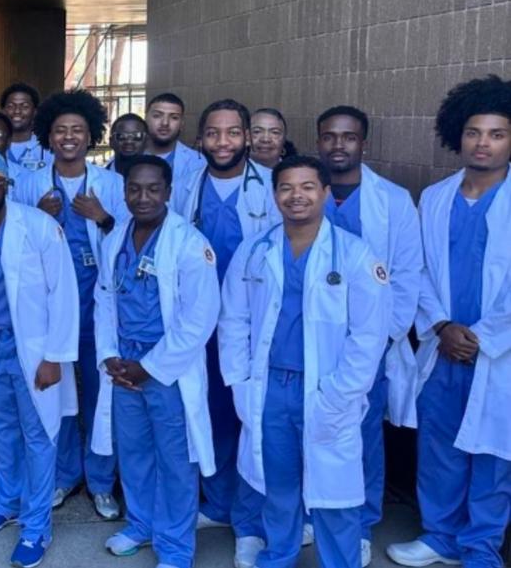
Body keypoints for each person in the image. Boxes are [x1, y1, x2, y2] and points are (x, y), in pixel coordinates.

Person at [219, 155, 390, 568]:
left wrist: (340, 393)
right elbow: (233, 320)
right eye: (286, 188)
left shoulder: (354, 255)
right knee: (277, 485)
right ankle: (278, 556)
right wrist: (240, 381)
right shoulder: (255, 250)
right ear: (275, 194)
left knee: (336, 493)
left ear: (326, 193)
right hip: (269, 385)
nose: (297, 196)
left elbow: (368, 336)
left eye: (308, 187)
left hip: (328, 388)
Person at [387, 75, 511, 568]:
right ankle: (439, 536)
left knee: (493, 452)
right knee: (439, 443)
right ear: (457, 135)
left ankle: (480, 547)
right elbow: (415, 270)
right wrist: (442, 326)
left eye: (497, 133)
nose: (483, 143)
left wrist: (484, 336)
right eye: (474, 133)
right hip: (442, 346)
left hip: (498, 352)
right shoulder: (435, 197)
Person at [0, 149, 79, 568]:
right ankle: (6, 501)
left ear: (6, 186)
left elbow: (64, 294)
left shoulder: (38, 227)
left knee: (39, 432)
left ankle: (37, 525)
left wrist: (54, 356)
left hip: (36, 346)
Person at [90, 154, 220, 567]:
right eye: (134, 188)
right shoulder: (115, 238)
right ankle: (141, 525)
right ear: (124, 191)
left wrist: (148, 367)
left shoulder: (189, 243)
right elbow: (103, 299)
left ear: (168, 192)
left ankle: (176, 547)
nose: (142, 197)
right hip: (124, 364)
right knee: (134, 453)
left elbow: (199, 320)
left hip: (167, 370)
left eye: (152, 189)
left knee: (176, 460)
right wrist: (110, 355)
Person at [169, 99, 280, 568]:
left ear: (248, 138)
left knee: (253, 420)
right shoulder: (186, 185)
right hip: (200, 324)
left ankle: (251, 525)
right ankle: (217, 505)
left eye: (233, 133)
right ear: (200, 140)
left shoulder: (275, 186)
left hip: (255, 325)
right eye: (213, 134)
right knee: (209, 413)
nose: (223, 142)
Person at [314, 105, 423, 566]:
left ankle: (358, 524)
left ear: (365, 143)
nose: (339, 145)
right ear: (318, 141)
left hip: (368, 345)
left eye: (349, 137)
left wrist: (380, 342)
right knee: (309, 430)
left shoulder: (392, 200)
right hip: (307, 341)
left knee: (360, 435)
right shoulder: (301, 190)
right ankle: (314, 515)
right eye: (330, 137)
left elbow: (406, 275)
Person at [13, 90, 126, 519]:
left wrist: (103, 218)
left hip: (99, 308)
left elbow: (129, 243)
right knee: (56, 394)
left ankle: (100, 482)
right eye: (60, 130)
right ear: (47, 135)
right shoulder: (29, 184)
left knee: (101, 396)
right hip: (51, 310)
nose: (68, 137)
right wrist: (38, 214)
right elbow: (15, 249)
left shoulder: (111, 185)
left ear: (92, 135)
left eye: (77, 130)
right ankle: (64, 476)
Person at [144, 93, 204, 184]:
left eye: (174, 117)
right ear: (146, 119)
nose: (165, 123)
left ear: (182, 124)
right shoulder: (123, 159)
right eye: (157, 115)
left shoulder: (199, 163)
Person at [0, 83, 50, 171]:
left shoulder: (47, 149)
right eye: (11, 106)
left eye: (25, 106)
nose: (17, 111)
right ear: (3, 111)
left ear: (35, 111)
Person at [106, 113, 147, 178]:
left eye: (137, 136)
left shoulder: (160, 179)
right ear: (111, 142)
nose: (129, 141)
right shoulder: (96, 181)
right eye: (121, 136)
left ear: (147, 141)